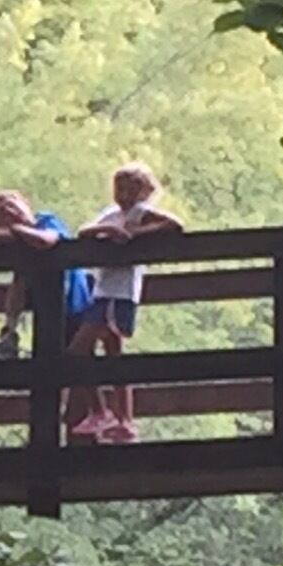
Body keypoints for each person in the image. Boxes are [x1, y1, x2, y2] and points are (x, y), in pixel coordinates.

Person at [72, 164, 185, 444]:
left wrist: (136, 234)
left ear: (144, 191)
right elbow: (83, 231)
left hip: (119, 294)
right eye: (119, 188)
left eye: (130, 189)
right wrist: (109, 230)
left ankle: (104, 412)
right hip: (103, 291)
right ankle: (122, 420)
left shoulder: (139, 214)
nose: (123, 194)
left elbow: (174, 224)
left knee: (77, 352)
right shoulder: (112, 215)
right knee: (113, 356)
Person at [0, 190, 92, 363]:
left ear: (25, 203)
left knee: (79, 367)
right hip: (49, 311)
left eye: (12, 204)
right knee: (65, 370)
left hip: (75, 304)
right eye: (3, 214)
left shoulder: (46, 220)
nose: (10, 211)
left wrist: (15, 229)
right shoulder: (19, 245)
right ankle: (9, 332)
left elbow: (46, 240)